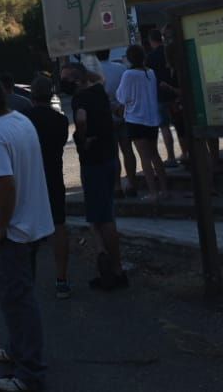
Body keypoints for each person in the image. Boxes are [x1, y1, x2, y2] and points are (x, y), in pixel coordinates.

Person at [0, 75, 53, 392]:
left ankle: (29, 373)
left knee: (18, 301)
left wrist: (0, 227)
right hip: (34, 223)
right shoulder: (21, 120)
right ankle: (17, 350)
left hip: (13, 231)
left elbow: (5, 183)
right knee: (19, 297)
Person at [62, 62, 127, 290]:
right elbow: (98, 77)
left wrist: (82, 137)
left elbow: (80, 118)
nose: (64, 83)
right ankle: (106, 260)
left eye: (67, 79)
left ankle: (115, 268)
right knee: (101, 213)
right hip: (109, 157)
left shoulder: (81, 99)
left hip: (93, 162)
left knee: (102, 217)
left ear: (77, 81)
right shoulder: (99, 90)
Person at [25, 77, 70, 300]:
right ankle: (62, 279)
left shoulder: (24, 120)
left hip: (31, 179)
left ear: (31, 95)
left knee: (29, 231)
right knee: (59, 225)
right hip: (54, 177)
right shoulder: (61, 121)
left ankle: (28, 281)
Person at [115, 57, 172, 203]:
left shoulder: (129, 74)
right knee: (155, 155)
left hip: (136, 118)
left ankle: (153, 192)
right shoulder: (150, 72)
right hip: (152, 117)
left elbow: (122, 96)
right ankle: (164, 190)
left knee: (144, 157)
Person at [100, 48, 139, 197]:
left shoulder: (95, 71)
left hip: (107, 115)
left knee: (113, 153)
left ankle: (117, 186)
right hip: (124, 112)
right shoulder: (121, 68)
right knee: (128, 150)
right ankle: (132, 183)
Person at [144, 31, 180, 167]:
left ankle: (171, 157)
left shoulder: (150, 57)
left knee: (164, 127)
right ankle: (186, 152)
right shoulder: (170, 52)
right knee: (180, 125)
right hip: (176, 92)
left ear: (151, 40)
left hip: (159, 95)